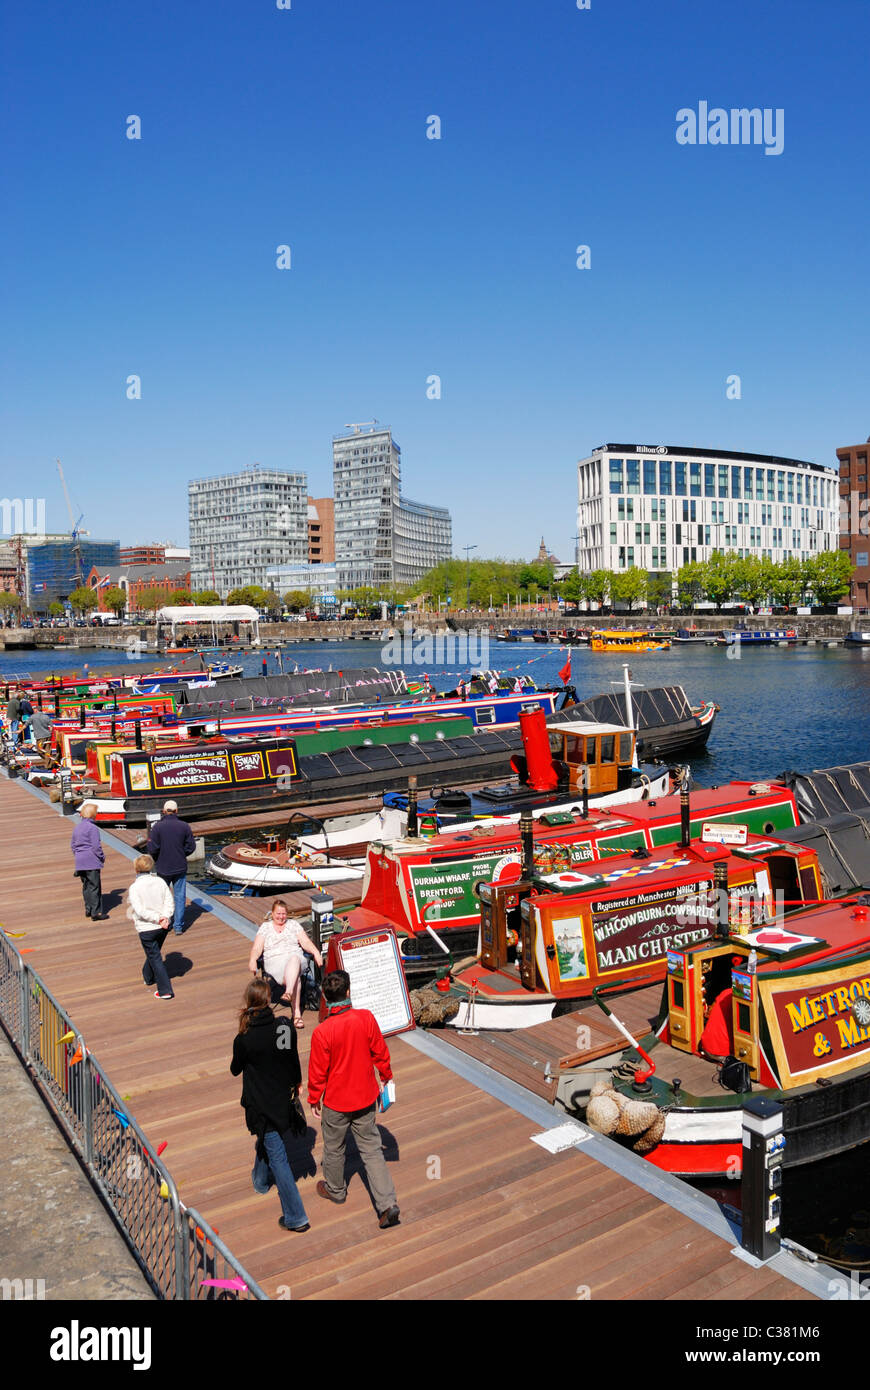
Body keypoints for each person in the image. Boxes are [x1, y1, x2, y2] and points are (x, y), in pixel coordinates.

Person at [307, 970, 400, 1229]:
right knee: (371, 1149)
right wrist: (386, 1076)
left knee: (334, 1147)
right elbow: (380, 1051)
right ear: (348, 993)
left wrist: (314, 1098)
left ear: (325, 998)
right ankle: (388, 1204)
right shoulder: (365, 1018)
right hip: (365, 1095)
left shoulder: (323, 1032)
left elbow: (317, 1072)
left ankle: (336, 1190)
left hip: (337, 1101)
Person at [230, 978, 310, 1234]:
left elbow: (235, 1069)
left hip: (260, 1103)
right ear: (268, 1001)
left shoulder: (244, 1037)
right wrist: (297, 1082)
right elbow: (290, 1060)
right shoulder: (283, 1028)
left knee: (278, 1157)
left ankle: (296, 1216)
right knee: (269, 1138)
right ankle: (260, 1181)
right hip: (281, 1099)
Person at [248, 900, 322, 1029]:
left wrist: (316, 953)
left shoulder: (293, 925)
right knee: (296, 979)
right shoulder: (265, 927)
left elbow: (305, 942)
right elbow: (257, 948)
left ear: (287, 914)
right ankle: (296, 1014)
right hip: (274, 961)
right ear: (272, 913)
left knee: (294, 959)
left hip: (296, 958)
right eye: (278, 913)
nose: (281, 917)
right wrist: (253, 959)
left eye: (283, 914)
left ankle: (288, 993)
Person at [126, 854, 175, 1000]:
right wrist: (165, 917)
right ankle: (147, 976)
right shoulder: (160, 882)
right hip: (162, 926)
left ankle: (165, 990)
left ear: (136, 869)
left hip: (147, 927)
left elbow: (140, 910)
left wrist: (159, 918)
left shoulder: (135, 887)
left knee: (155, 957)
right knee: (154, 951)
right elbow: (169, 902)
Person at [147, 800, 196, 935]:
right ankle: (178, 926)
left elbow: (152, 848)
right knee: (180, 896)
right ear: (177, 811)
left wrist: (158, 857)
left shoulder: (157, 827)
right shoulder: (184, 826)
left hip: (163, 867)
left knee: (163, 896)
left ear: (164, 811)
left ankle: (165, 921)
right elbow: (191, 846)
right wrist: (182, 853)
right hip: (180, 866)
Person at [70, 804, 107, 920]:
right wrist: (102, 857)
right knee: (94, 886)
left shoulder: (77, 827)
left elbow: (73, 845)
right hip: (91, 860)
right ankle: (96, 913)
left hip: (80, 861)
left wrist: (78, 855)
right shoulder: (93, 828)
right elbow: (96, 846)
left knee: (86, 885)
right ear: (93, 815)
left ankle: (88, 909)